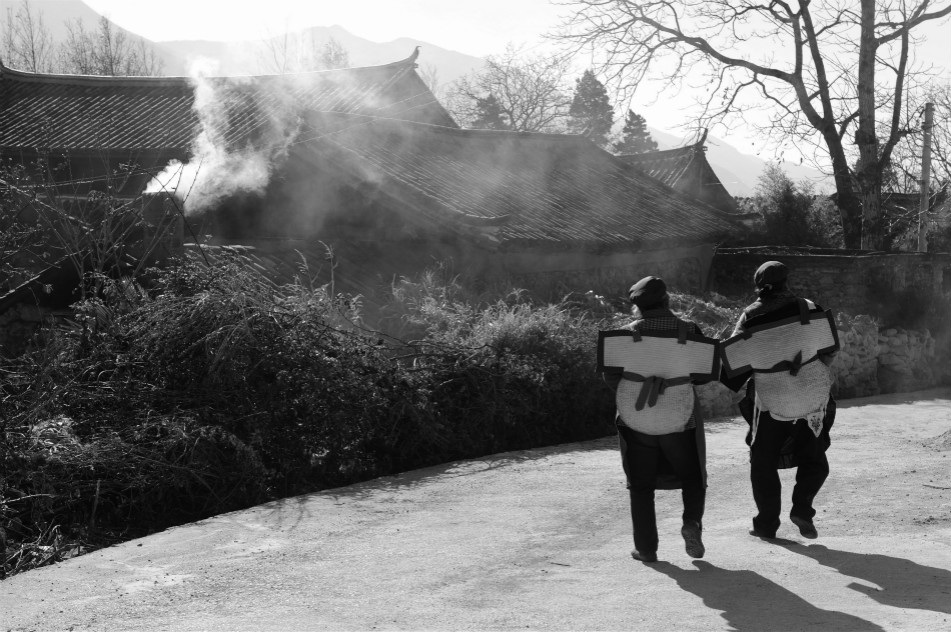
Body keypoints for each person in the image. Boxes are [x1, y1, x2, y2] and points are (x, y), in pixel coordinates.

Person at [724, 261, 836, 541]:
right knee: (814, 458)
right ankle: (802, 509)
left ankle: (766, 524)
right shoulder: (809, 307)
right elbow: (830, 350)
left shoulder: (749, 316)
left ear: (759, 287)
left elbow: (734, 363)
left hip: (771, 400)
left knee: (762, 462)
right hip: (812, 397)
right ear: (787, 282)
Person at [603, 275, 709, 563]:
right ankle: (691, 522)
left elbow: (611, 377)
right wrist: (672, 387)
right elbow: (703, 375)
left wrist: (640, 392)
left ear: (638, 307)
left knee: (640, 484)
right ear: (667, 300)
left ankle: (646, 549)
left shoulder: (623, 335)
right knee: (693, 476)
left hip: (636, 419)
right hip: (680, 418)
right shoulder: (689, 329)